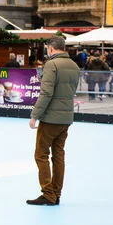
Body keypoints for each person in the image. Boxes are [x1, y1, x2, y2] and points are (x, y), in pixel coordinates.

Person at [27, 36, 80, 206]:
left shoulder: (52, 64)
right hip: (66, 117)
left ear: (50, 48)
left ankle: (48, 193)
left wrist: (35, 115)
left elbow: (46, 93)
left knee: (41, 154)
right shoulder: (74, 65)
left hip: (50, 118)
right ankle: (56, 193)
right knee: (58, 155)